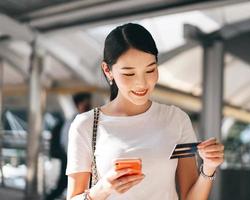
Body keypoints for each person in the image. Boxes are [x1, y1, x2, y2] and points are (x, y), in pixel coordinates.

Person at [66, 23, 224, 200]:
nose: (141, 83)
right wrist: (102, 188)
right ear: (107, 71)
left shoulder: (176, 119)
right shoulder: (86, 125)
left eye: (150, 70)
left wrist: (209, 167)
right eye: (129, 74)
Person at [46, 92, 91, 200]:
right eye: (86, 104)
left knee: (69, 186)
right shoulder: (73, 122)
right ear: (78, 104)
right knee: (65, 186)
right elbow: (66, 142)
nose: (88, 106)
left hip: (78, 160)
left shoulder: (82, 120)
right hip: (72, 160)